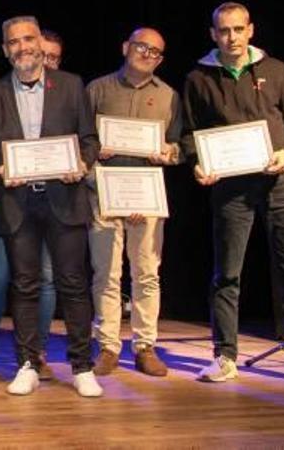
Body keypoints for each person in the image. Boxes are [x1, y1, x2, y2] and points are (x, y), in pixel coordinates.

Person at [184, 2, 284, 385]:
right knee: (226, 273)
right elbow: (189, 134)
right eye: (224, 31)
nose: (231, 38)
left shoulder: (275, 71)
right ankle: (224, 355)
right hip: (230, 187)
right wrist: (198, 161)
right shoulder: (199, 77)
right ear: (213, 34)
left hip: (280, 181)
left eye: (238, 29)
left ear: (251, 31)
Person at [0, 16, 101, 398]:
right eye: (13, 42)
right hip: (18, 201)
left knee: (73, 283)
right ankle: (27, 364)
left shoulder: (70, 85)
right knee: (25, 285)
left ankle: (82, 366)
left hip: (65, 199)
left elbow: (89, 139)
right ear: (5, 50)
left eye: (28, 39)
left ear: (40, 43)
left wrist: (81, 164)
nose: (22, 47)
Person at [86, 28, 179, 378]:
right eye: (141, 46)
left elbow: (179, 146)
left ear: (161, 59)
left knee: (147, 274)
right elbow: (82, 140)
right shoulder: (98, 89)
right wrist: (97, 153)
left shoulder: (169, 96)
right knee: (106, 275)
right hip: (104, 195)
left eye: (155, 51)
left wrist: (169, 153)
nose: (147, 54)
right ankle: (108, 346)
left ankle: (145, 346)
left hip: (147, 196)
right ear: (126, 47)